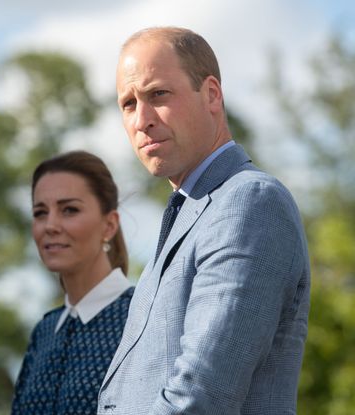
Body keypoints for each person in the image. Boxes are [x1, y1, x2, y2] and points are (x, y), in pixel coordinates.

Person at [97, 27, 310, 414]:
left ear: (211, 94)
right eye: (128, 104)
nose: (141, 119)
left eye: (158, 94)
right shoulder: (188, 213)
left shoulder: (248, 202)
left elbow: (202, 395)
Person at [11, 151, 134, 414]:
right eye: (40, 212)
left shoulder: (143, 317)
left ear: (109, 225)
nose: (50, 225)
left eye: (69, 210)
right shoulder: (44, 332)